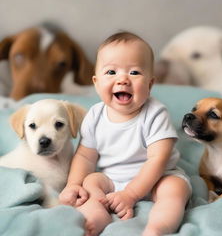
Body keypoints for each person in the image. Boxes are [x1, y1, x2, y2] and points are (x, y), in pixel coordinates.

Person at [59, 31, 191, 236]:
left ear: (150, 84)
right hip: (112, 180)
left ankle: (158, 227)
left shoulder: (156, 113)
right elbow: (85, 156)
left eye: (135, 72)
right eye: (111, 72)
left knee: (174, 190)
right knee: (91, 182)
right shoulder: (95, 115)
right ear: (96, 82)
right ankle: (95, 217)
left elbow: (158, 159)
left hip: (157, 178)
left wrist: (130, 194)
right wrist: (73, 184)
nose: (122, 80)